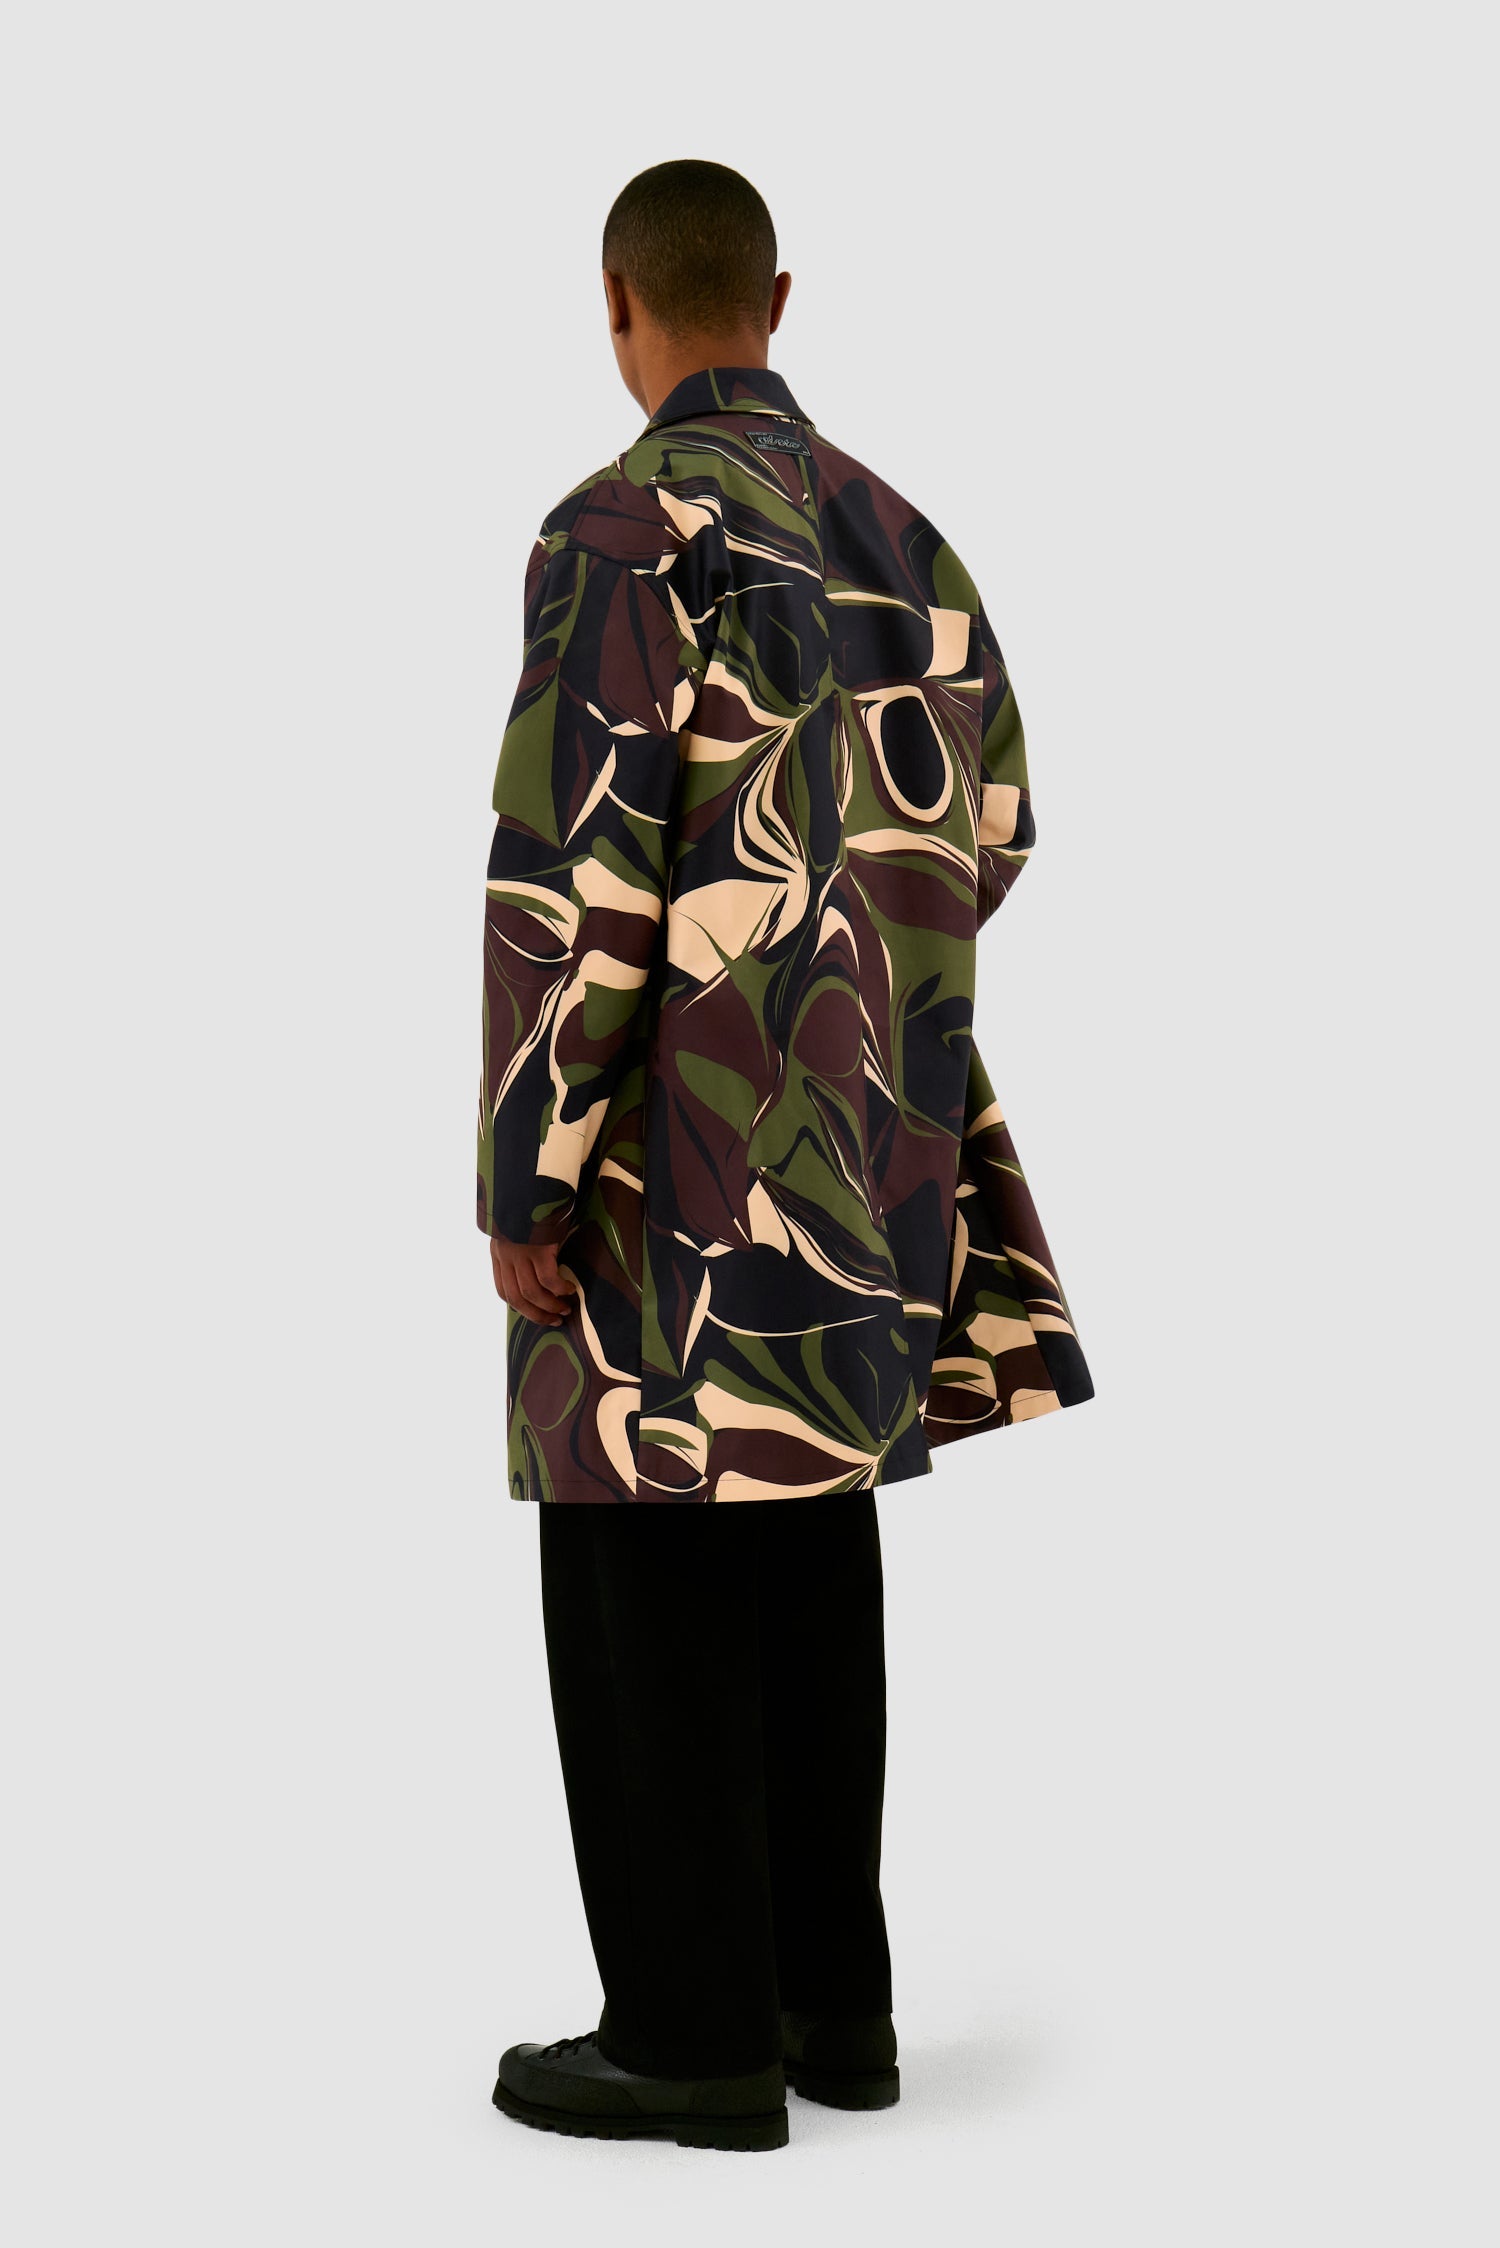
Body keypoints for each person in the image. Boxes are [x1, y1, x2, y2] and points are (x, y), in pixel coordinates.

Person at [477, 159, 1093, 2153]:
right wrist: (856, 985)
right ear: (781, 297)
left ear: (619, 305)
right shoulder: (905, 536)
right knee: (816, 1525)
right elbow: (993, 824)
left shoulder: (621, 530)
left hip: (673, 1153)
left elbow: (576, 879)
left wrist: (529, 1175)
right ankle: (837, 2005)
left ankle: (691, 2035)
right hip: (869, 1133)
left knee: (641, 1535)